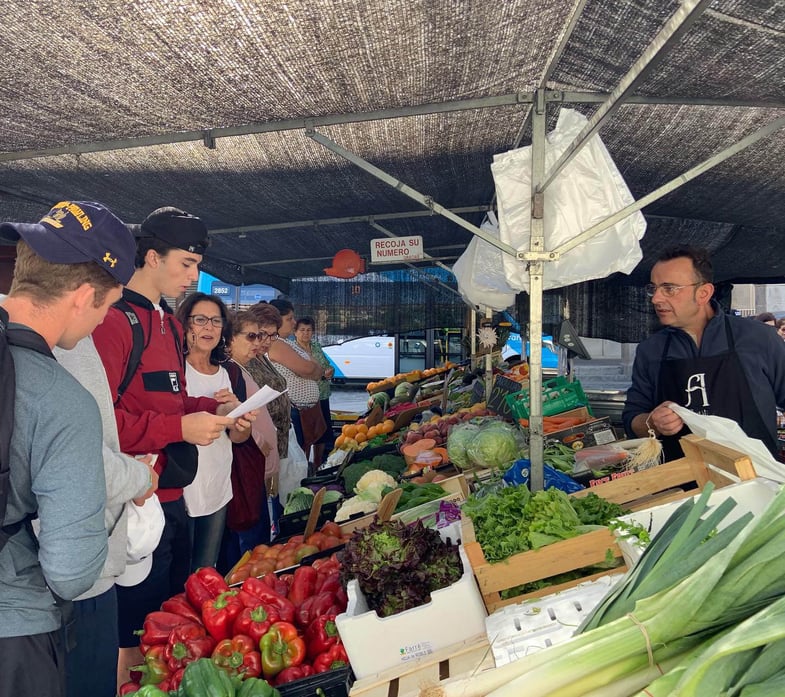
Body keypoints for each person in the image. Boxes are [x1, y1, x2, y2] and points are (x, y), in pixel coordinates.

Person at [91, 206, 248, 685]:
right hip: (134, 508)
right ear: (152, 257)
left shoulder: (168, 323)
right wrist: (178, 430)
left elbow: (170, 398)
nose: (193, 275)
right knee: (132, 634)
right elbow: (101, 425)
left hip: (174, 497)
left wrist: (212, 405)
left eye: (197, 265)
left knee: (170, 622)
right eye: (185, 263)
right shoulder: (115, 322)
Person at [0, 200, 136, 697]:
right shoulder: (59, 397)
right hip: (13, 633)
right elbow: (71, 572)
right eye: (107, 307)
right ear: (82, 297)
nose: (103, 322)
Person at [54, 336, 158, 697]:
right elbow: (77, 450)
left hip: (86, 556)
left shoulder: (73, 340)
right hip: (75, 567)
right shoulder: (45, 349)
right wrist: (138, 476)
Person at [623, 245, 785, 462]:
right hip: (683, 484)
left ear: (703, 293)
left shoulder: (759, 338)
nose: (656, 299)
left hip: (757, 481)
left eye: (669, 288)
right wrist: (652, 422)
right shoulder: (650, 351)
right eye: (654, 288)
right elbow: (632, 418)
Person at [174, 293, 254, 572]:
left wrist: (243, 422)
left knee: (205, 571)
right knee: (177, 573)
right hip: (179, 487)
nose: (208, 328)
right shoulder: (173, 369)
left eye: (216, 321)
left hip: (217, 485)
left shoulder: (230, 374)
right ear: (185, 325)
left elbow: (238, 438)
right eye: (200, 320)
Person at [221, 310, 280, 570]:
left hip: (257, 464)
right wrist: (259, 440)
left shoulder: (244, 367)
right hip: (246, 464)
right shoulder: (229, 372)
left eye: (261, 336)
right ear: (230, 339)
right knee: (248, 541)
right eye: (251, 336)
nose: (257, 342)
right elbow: (234, 418)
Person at [268, 299, 326, 466]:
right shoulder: (277, 344)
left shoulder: (287, 343)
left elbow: (316, 368)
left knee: (301, 458)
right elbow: (308, 369)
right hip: (292, 412)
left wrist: (315, 369)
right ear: (276, 320)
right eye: (289, 319)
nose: (294, 323)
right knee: (295, 462)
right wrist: (314, 369)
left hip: (302, 412)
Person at [293, 316, 336, 470]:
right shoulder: (291, 349)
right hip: (304, 398)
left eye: (309, 330)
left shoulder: (316, 346)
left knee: (322, 431)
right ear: (295, 332)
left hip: (322, 395)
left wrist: (330, 371)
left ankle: (318, 464)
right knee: (306, 433)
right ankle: (304, 466)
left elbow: (326, 365)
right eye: (302, 330)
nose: (306, 333)